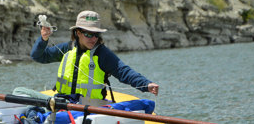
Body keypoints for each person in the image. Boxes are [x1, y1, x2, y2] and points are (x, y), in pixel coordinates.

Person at [27, 10, 159, 105]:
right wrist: (43, 39)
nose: (93, 38)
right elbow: (38, 56)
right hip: (63, 102)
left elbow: (123, 71)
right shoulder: (67, 48)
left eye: (96, 34)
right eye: (88, 34)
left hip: (92, 107)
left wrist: (146, 84)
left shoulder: (103, 54)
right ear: (78, 32)